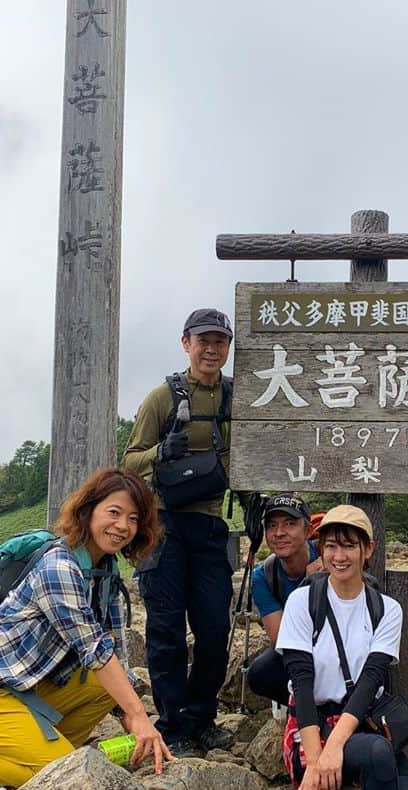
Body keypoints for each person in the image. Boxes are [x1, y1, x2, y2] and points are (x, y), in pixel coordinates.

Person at [0, 468, 173, 790]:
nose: (122, 526)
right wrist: (139, 715)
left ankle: (31, 747)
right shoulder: (60, 567)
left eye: (133, 518)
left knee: (108, 687)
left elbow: (114, 653)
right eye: (114, 512)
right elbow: (94, 650)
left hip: (20, 687)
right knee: (65, 775)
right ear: (88, 510)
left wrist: (132, 716)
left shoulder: (104, 571)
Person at [121, 307, 236, 754]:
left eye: (220, 341)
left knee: (213, 629)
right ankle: (171, 724)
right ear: (186, 343)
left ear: (228, 347)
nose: (211, 349)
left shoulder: (236, 398)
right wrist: (160, 454)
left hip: (210, 524)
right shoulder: (161, 399)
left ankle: (200, 718)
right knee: (166, 629)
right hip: (163, 523)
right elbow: (129, 460)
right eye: (203, 340)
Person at [277, 505, 408, 790]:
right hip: (313, 727)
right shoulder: (302, 601)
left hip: (363, 722)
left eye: (349, 546)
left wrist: (335, 748)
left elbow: (370, 681)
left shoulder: (386, 609)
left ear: (367, 549)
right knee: (378, 753)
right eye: (331, 546)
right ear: (321, 549)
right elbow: (302, 684)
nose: (339, 556)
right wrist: (316, 763)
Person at [245, 493, 323, 704]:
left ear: (307, 530)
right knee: (259, 675)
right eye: (271, 526)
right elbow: (282, 640)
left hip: (339, 644)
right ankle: (306, 708)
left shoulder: (330, 554)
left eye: (289, 524)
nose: (279, 533)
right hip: (300, 647)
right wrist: (308, 585)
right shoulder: (264, 576)